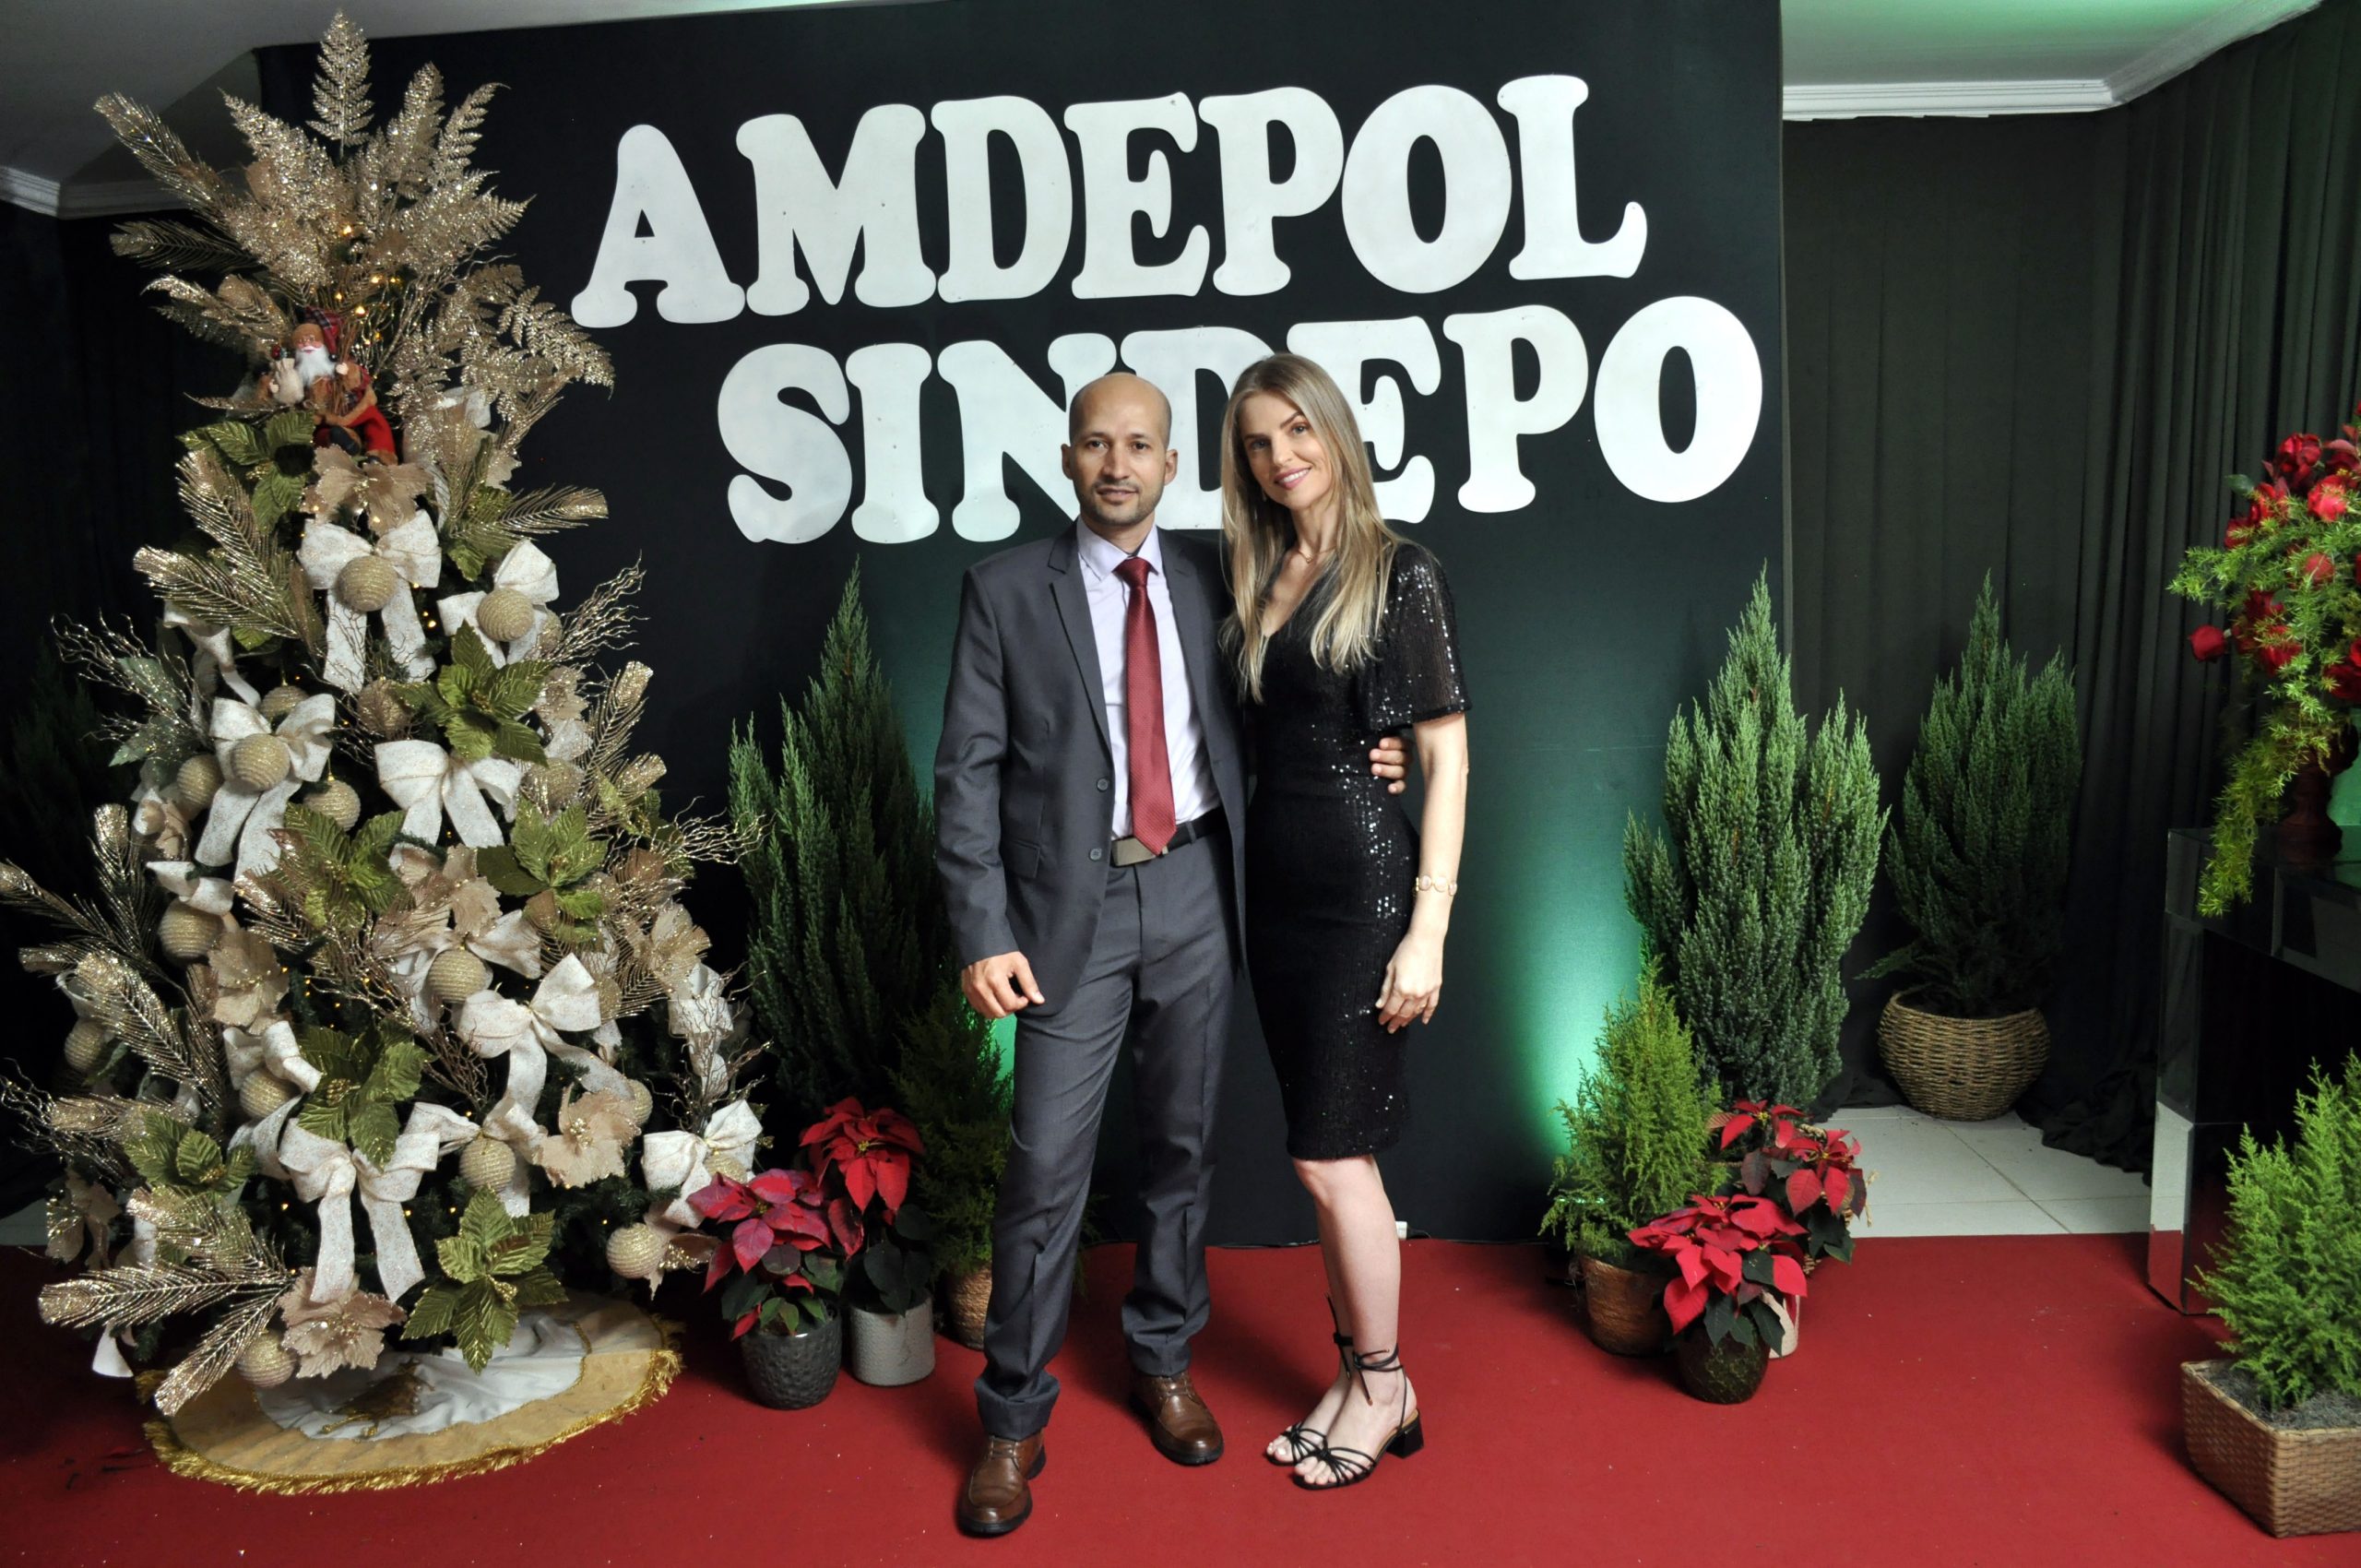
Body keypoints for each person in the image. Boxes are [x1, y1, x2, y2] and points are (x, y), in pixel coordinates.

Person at [933, 372, 1408, 1537]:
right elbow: (965, 774)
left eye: (1139, 443)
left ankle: (1163, 1357)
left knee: (1185, 1149)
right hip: (1067, 912)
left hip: (1199, 886)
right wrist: (983, 929)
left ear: (1171, 463)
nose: (1118, 464)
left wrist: (1383, 744)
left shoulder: (1218, 573)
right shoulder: (1004, 590)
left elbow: (1292, 696)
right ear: (1067, 457)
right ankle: (1012, 1415)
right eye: (1097, 443)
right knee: (1045, 1167)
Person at [1217, 352, 1469, 1491]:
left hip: (1365, 893)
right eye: (1259, 442)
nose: (1282, 456)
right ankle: (1355, 1370)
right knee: (1325, 1153)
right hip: (1274, 900)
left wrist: (1427, 927)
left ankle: (1384, 1380)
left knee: (1329, 1156)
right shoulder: (1258, 570)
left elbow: (1443, 758)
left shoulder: (1398, 569)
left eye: (1297, 430)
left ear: (1334, 432)